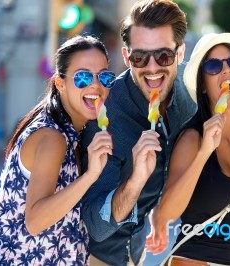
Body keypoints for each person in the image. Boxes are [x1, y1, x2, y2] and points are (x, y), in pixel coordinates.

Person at [0, 35, 115, 265]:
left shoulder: (72, 136)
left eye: (104, 76)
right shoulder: (53, 138)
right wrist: (90, 176)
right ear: (60, 83)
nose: (95, 85)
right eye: (82, 77)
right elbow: (36, 220)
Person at [79, 0, 197, 265]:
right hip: (103, 258)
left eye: (164, 56)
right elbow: (97, 227)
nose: (152, 68)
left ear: (180, 53)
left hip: (153, 251)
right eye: (140, 57)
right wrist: (134, 181)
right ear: (125, 57)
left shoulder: (187, 94)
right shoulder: (106, 118)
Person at [146, 32, 230, 265]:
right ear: (202, 86)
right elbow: (167, 214)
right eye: (213, 66)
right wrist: (203, 154)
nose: (227, 70)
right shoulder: (193, 139)